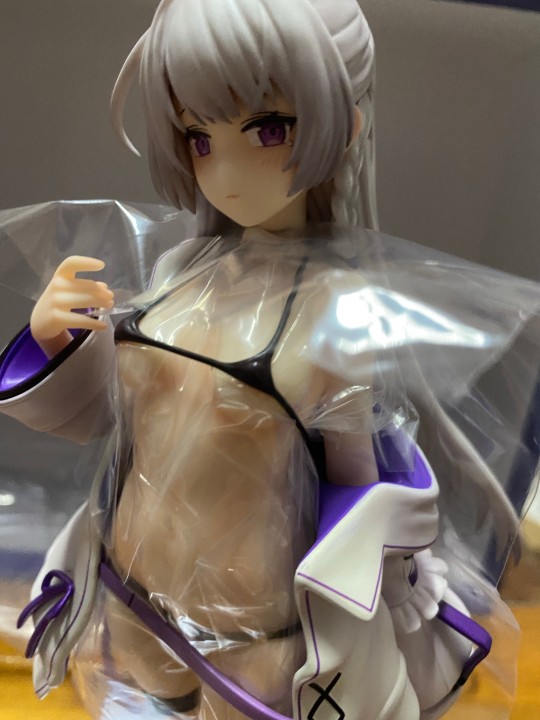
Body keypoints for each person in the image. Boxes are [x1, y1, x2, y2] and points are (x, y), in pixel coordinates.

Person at [0, 1, 531, 718]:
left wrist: (387, 580)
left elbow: (356, 493)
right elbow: (121, 422)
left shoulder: (338, 312)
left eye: (269, 129)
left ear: (344, 126)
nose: (225, 171)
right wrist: (58, 338)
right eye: (198, 137)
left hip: (253, 634)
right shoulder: (179, 270)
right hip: (130, 596)